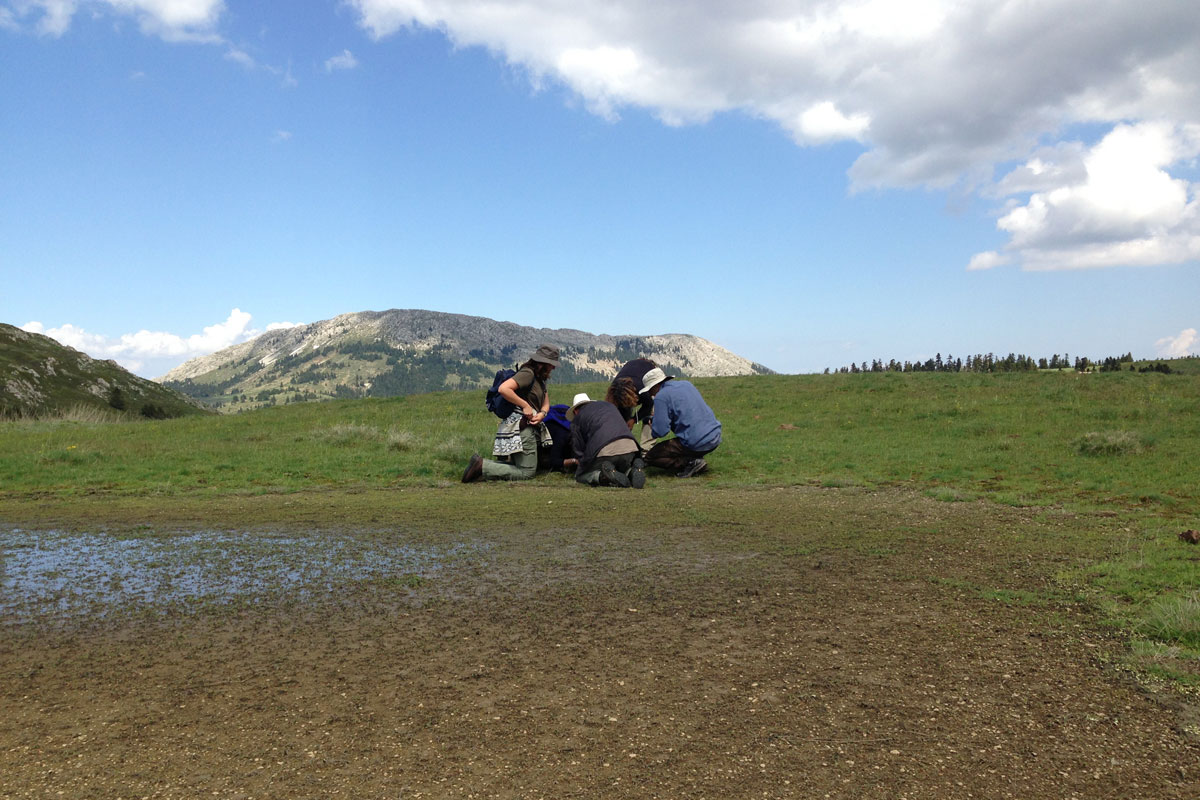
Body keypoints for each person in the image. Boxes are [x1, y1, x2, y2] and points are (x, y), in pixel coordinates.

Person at [462, 344, 559, 482]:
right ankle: (482, 466)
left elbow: (546, 402)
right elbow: (504, 389)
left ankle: (481, 465)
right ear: (543, 363)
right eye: (551, 364)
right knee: (527, 472)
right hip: (523, 428)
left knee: (520, 466)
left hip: (525, 427)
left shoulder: (540, 380)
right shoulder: (528, 374)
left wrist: (542, 413)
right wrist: (525, 405)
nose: (553, 368)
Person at [640, 367, 721, 478]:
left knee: (651, 457)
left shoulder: (660, 397)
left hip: (696, 440)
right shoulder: (686, 384)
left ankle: (690, 463)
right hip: (714, 435)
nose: (649, 393)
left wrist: (653, 424)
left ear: (654, 386)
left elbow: (661, 431)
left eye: (649, 390)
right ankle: (694, 460)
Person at [566, 392, 646, 488]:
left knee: (580, 476)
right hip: (630, 446)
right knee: (620, 466)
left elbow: (578, 450)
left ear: (575, 411)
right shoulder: (608, 406)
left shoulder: (577, 419)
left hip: (604, 450)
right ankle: (631, 471)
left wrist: (581, 465)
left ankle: (602, 477)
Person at [609, 357, 657, 449]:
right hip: (624, 390)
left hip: (645, 386)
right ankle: (623, 447)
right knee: (621, 420)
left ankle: (645, 450)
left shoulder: (641, 389)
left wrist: (634, 420)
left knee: (650, 416)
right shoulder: (614, 391)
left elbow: (648, 404)